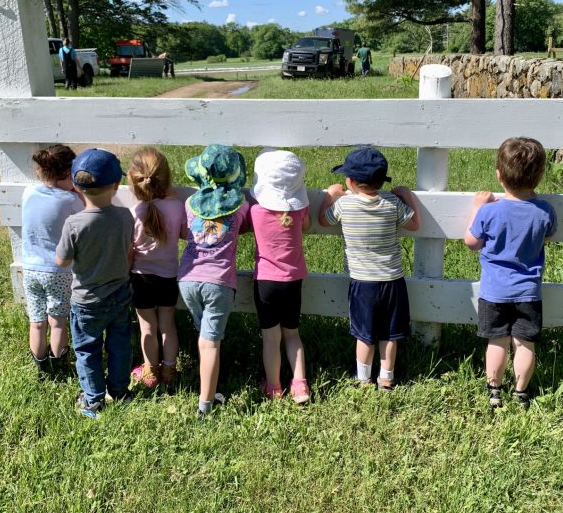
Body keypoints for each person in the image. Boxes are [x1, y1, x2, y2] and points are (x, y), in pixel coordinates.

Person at [463, 137, 557, 409]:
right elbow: (549, 235)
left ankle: (494, 390)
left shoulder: (490, 211)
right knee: (525, 343)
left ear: (499, 175)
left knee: (498, 342)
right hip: (528, 291)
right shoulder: (544, 211)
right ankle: (521, 392)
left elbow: (471, 242)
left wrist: (476, 208)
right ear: (539, 177)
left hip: (494, 291)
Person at [318, 147, 420, 390]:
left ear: (350, 181)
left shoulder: (344, 205)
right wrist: (408, 196)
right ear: (381, 181)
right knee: (390, 334)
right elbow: (415, 224)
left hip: (362, 283)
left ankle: (363, 378)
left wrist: (330, 195)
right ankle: (386, 377)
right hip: (392, 280)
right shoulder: (392, 202)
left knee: (364, 334)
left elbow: (323, 219)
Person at [55, 148, 135, 418]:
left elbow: (62, 261)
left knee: (88, 349)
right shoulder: (125, 217)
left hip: (87, 301)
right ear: (115, 185)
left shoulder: (74, 224)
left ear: (76, 186)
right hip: (121, 293)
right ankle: (121, 391)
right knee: (120, 343)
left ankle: (93, 399)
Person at [178, 145, 252, 417]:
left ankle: (209, 377)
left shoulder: (189, 204)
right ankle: (206, 404)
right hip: (218, 283)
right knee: (210, 343)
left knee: (203, 337)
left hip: (187, 280)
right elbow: (244, 227)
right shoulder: (241, 206)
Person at [249, 149, 311, 403]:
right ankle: (300, 385)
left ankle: (273, 386)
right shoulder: (298, 213)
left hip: (265, 282)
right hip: (293, 282)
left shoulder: (256, 212)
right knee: (293, 333)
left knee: (271, 338)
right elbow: (305, 225)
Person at [21, 144, 84, 378]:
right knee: (57, 321)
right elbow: (85, 216)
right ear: (67, 174)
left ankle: (41, 368)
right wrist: (78, 193)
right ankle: (60, 368)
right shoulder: (70, 201)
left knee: (37, 322)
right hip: (57, 270)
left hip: (30, 269)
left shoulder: (28, 192)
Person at [126, 147, 187, 389]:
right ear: (166, 177)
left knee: (147, 328)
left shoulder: (134, 212)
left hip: (140, 278)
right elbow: (184, 234)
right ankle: (170, 370)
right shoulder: (177, 207)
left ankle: (150, 370)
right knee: (168, 325)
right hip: (168, 276)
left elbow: (130, 248)